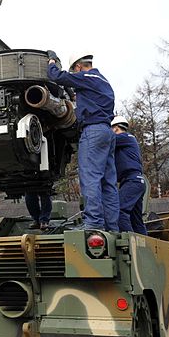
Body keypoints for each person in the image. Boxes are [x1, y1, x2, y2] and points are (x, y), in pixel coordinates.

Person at [46, 51, 119, 231]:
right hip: (107, 132)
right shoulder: (103, 81)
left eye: (75, 71)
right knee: (108, 183)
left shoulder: (86, 76)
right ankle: (112, 227)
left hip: (92, 132)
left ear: (78, 66)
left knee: (90, 178)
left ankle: (93, 222)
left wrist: (51, 61)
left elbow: (56, 76)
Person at [111, 116, 148, 235]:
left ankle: (131, 243)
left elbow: (106, 141)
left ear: (116, 129)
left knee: (119, 211)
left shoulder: (126, 137)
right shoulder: (124, 142)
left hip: (132, 180)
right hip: (135, 182)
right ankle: (144, 247)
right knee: (135, 219)